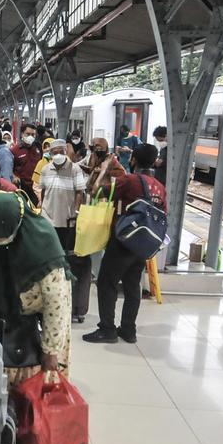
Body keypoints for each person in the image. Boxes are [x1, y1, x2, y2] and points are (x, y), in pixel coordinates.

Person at [0, 192, 72, 384]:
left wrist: (51, 350)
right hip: (1, 318)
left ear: (9, 228)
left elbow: (56, 304)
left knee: (35, 389)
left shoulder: (44, 247)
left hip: (38, 326)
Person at [83, 144, 166, 344]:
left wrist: (104, 170)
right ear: (154, 161)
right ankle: (129, 330)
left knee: (106, 282)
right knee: (132, 285)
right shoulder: (159, 186)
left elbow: (96, 192)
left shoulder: (129, 181)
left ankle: (107, 329)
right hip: (143, 243)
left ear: (133, 160)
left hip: (123, 241)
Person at [38, 140, 90, 323]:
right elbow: (43, 192)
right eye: (55, 151)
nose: (58, 154)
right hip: (48, 220)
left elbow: (80, 192)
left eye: (61, 151)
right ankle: (49, 297)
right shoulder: (46, 169)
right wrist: (41, 208)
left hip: (68, 222)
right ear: (50, 153)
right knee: (50, 260)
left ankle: (68, 299)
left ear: (66, 151)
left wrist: (76, 212)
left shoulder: (74, 169)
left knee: (66, 261)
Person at [10, 123, 42, 189]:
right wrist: (14, 177)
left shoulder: (39, 149)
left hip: (36, 185)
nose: (30, 137)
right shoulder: (15, 150)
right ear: (22, 134)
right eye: (28, 134)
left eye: (33, 135)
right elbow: (10, 168)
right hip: (21, 186)